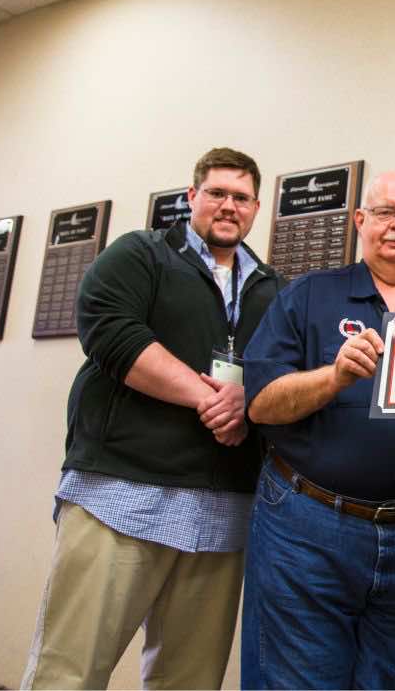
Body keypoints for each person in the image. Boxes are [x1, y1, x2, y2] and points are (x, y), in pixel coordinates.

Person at [21, 147, 285, 690]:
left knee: (188, 680)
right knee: (69, 670)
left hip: (221, 513)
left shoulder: (272, 289)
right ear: (192, 198)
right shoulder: (141, 254)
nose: (228, 206)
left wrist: (248, 404)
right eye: (216, 193)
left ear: (257, 207)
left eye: (240, 197)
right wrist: (208, 398)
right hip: (122, 496)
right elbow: (111, 332)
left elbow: (282, 377)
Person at [240, 171, 395, 690]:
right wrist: (335, 375)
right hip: (311, 527)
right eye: (386, 213)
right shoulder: (307, 297)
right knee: (298, 681)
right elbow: (261, 405)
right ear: (360, 221)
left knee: (391, 681)